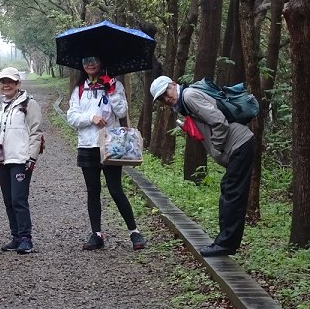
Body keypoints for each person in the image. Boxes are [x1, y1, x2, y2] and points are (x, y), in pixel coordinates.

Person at [150, 75, 255, 257]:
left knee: (232, 194)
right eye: (161, 98)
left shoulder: (189, 96)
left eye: (166, 92)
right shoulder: (185, 104)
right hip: (239, 145)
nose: (166, 99)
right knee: (229, 191)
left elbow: (219, 122)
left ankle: (226, 244)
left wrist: (217, 147)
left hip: (240, 144)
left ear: (173, 84)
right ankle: (224, 242)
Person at [67, 56, 146, 251]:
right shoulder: (80, 89)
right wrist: (90, 118)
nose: (90, 63)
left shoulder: (115, 85)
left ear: (102, 62)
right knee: (93, 190)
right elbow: (72, 117)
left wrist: (111, 90)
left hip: (111, 145)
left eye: (94, 59)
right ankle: (96, 234)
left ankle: (134, 232)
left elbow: (122, 112)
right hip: (87, 145)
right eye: (85, 60)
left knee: (115, 189)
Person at [0, 67, 43, 254]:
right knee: (8, 200)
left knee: (19, 199)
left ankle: (26, 238)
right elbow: (2, 134)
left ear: (18, 84)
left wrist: (31, 158)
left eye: (10, 82)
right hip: (2, 160)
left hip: (21, 159)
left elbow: (36, 133)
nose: (6, 85)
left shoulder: (29, 104)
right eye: (3, 82)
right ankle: (16, 236)